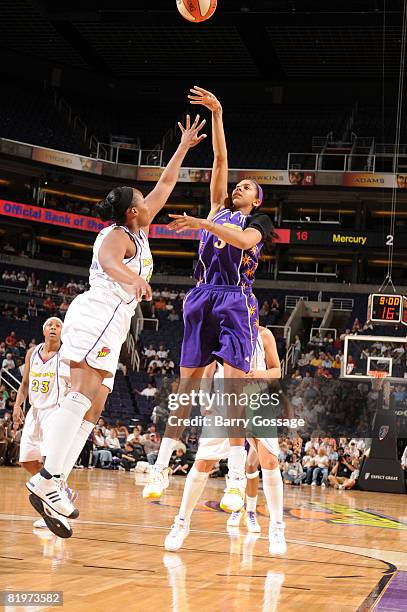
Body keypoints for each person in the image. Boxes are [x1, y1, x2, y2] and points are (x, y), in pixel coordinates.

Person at [25, 114, 206, 531]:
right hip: (97, 314)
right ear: (132, 210)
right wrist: (136, 278)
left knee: (96, 404)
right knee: (83, 391)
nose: (150, 201)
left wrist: (182, 148)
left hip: (114, 320)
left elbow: (165, 186)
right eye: (142, 199)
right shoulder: (115, 234)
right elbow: (108, 263)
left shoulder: (139, 230)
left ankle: (57, 486)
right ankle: (48, 478)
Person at [143, 86, 275, 513]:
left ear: (258, 200)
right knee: (186, 387)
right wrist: (218, 112)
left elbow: (239, 240)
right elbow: (219, 159)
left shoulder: (258, 223)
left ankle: (236, 477)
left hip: (236, 300)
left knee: (233, 391)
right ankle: (161, 465)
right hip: (201, 297)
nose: (239, 187)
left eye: (248, 187)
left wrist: (202, 220)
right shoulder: (219, 205)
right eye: (238, 185)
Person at [164, 326, 287, 556]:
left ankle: (277, 528)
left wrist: (257, 374)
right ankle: (181, 523)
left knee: (269, 461)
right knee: (203, 463)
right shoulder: (223, 333)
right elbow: (208, 372)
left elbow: (277, 371)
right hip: (225, 398)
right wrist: (205, 401)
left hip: (257, 396)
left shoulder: (264, 335)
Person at [13, 317, 114, 537]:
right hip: (35, 411)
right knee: (28, 461)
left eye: (58, 325)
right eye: (50, 324)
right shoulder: (32, 352)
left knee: (51, 462)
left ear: (63, 331)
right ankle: (60, 491)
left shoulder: (69, 353)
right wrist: (18, 404)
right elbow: (25, 384)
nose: (53, 328)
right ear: (43, 329)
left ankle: (55, 504)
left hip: (56, 410)